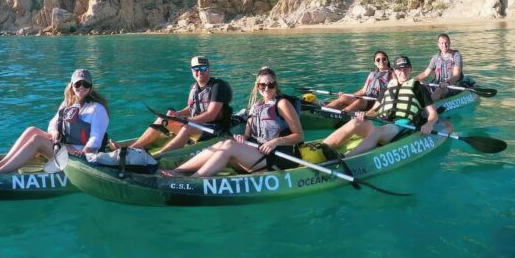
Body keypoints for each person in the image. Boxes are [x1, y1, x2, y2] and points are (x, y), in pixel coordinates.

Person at [162, 67, 304, 177]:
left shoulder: (282, 103)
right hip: (257, 154)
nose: (266, 89)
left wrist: (275, 142)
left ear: (276, 84)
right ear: (257, 86)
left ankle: (194, 178)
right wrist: (242, 137)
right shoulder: (255, 107)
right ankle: (178, 171)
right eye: (262, 85)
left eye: (271, 84)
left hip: (277, 157)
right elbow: (248, 136)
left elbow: (299, 135)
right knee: (222, 144)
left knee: (229, 146)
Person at [0, 69, 109, 173]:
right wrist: (55, 132)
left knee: (38, 140)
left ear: (91, 87)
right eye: (78, 84)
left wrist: (81, 153)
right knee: (31, 130)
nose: (81, 87)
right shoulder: (67, 103)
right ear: (72, 86)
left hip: (81, 158)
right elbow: (53, 123)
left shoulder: (97, 109)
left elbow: (95, 140)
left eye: (85, 84)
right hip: (64, 148)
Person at [322, 56, 438, 157]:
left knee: (378, 131)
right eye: (399, 69)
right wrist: (364, 115)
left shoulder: (419, 88)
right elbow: (374, 110)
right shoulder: (387, 87)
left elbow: (433, 114)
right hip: (382, 123)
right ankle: (323, 147)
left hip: (401, 127)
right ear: (395, 71)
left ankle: (346, 157)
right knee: (354, 122)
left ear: (410, 69)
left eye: (406, 69)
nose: (403, 72)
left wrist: (429, 123)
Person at [121, 56, 233, 156]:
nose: (200, 72)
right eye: (196, 69)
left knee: (187, 127)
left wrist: (186, 120)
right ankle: (132, 149)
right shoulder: (194, 87)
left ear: (208, 69)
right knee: (162, 119)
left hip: (214, 128)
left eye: (203, 69)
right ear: (192, 71)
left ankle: (159, 156)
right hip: (196, 125)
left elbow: (211, 115)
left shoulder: (218, 86)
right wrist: (177, 114)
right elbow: (191, 108)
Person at [326, 50, 395, 113]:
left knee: (360, 101)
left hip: (377, 103)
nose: (381, 61)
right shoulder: (372, 74)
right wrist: (349, 95)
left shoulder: (392, 74)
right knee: (344, 97)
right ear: (375, 62)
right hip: (367, 99)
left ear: (387, 60)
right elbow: (363, 91)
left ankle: (342, 113)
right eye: (378, 60)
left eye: (384, 59)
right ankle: (325, 109)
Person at [415, 33, 463, 100]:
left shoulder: (456, 56)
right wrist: (413, 80)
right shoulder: (435, 58)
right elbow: (425, 74)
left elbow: (456, 75)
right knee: (420, 86)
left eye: (446, 43)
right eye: (442, 43)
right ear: (438, 45)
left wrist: (447, 83)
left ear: (449, 43)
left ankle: (429, 106)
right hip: (438, 84)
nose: (444, 45)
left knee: (439, 90)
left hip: (452, 85)